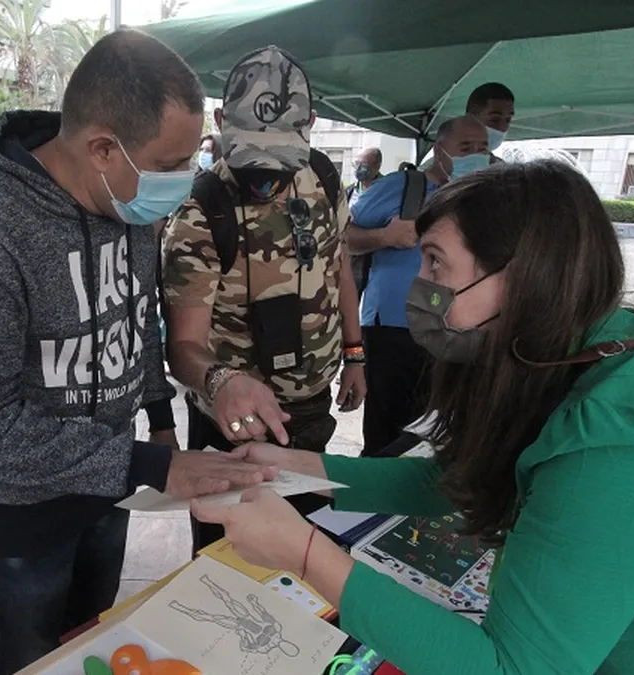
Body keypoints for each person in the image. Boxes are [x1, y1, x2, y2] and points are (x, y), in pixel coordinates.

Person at [193, 160, 634, 675]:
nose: (420, 286)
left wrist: (305, 554)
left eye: (436, 263)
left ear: (520, 280)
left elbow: (514, 667)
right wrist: (294, 468)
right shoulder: (586, 347)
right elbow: (465, 479)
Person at [0, 29, 273, 673]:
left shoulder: (127, 204)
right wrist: (148, 464)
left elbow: (137, 321)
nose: (185, 179)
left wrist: (161, 420)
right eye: (171, 163)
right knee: (31, 649)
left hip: (112, 481)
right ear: (104, 148)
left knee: (94, 634)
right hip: (24, 505)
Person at [162, 45, 366, 552]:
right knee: (228, 558)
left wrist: (355, 353)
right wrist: (221, 381)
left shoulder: (323, 178)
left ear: (309, 128)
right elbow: (183, 345)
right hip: (234, 425)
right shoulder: (200, 213)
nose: (266, 175)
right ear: (220, 123)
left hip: (312, 406)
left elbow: (339, 266)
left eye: (281, 157)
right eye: (251, 156)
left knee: (308, 552)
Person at [346, 115, 489, 456]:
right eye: (465, 147)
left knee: (441, 433)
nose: (475, 155)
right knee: (387, 431)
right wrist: (384, 236)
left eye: (482, 148)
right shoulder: (401, 188)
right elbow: (341, 237)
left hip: (461, 330)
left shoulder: (488, 196)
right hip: (395, 329)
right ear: (439, 150)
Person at [346, 147, 383, 298]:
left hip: (375, 257)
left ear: (377, 166)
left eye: (364, 166)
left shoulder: (386, 191)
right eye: (357, 164)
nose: (359, 169)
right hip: (351, 256)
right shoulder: (350, 191)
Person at [464, 82, 515, 154]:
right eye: (495, 120)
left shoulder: (494, 161)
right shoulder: (448, 157)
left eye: (508, 120)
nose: (502, 128)